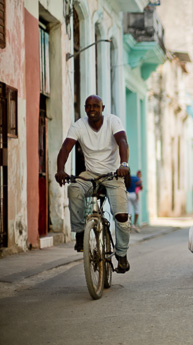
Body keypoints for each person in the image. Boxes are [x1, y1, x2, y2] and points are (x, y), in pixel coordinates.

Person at [54, 95, 131, 273]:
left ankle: (122, 254)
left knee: (121, 217)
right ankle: (81, 233)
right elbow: (66, 148)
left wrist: (124, 165)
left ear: (102, 108)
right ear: (85, 108)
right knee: (74, 188)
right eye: (88, 106)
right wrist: (60, 169)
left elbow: (122, 142)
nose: (92, 109)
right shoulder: (79, 125)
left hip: (113, 174)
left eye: (96, 106)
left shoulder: (113, 121)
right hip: (90, 175)